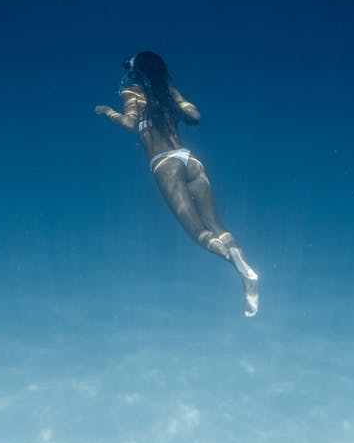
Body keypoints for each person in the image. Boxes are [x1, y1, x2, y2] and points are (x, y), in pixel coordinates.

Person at [95, 51, 259, 317]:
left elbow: (128, 124)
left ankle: (235, 264)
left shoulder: (131, 92)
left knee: (196, 231)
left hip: (164, 164)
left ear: (136, 72)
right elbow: (194, 116)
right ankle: (242, 267)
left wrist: (107, 111)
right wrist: (179, 107)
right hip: (190, 160)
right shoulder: (170, 91)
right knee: (217, 225)